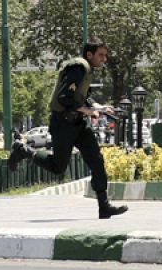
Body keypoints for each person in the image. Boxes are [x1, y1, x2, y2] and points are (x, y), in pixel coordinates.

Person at [7, 40, 127, 219]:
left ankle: (104, 206)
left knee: (96, 160)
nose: (104, 59)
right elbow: (64, 97)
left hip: (78, 124)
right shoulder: (78, 69)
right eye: (101, 55)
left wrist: (98, 107)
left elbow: (82, 97)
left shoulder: (86, 71)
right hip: (63, 124)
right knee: (58, 167)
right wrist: (88, 110)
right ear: (89, 55)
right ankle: (24, 151)